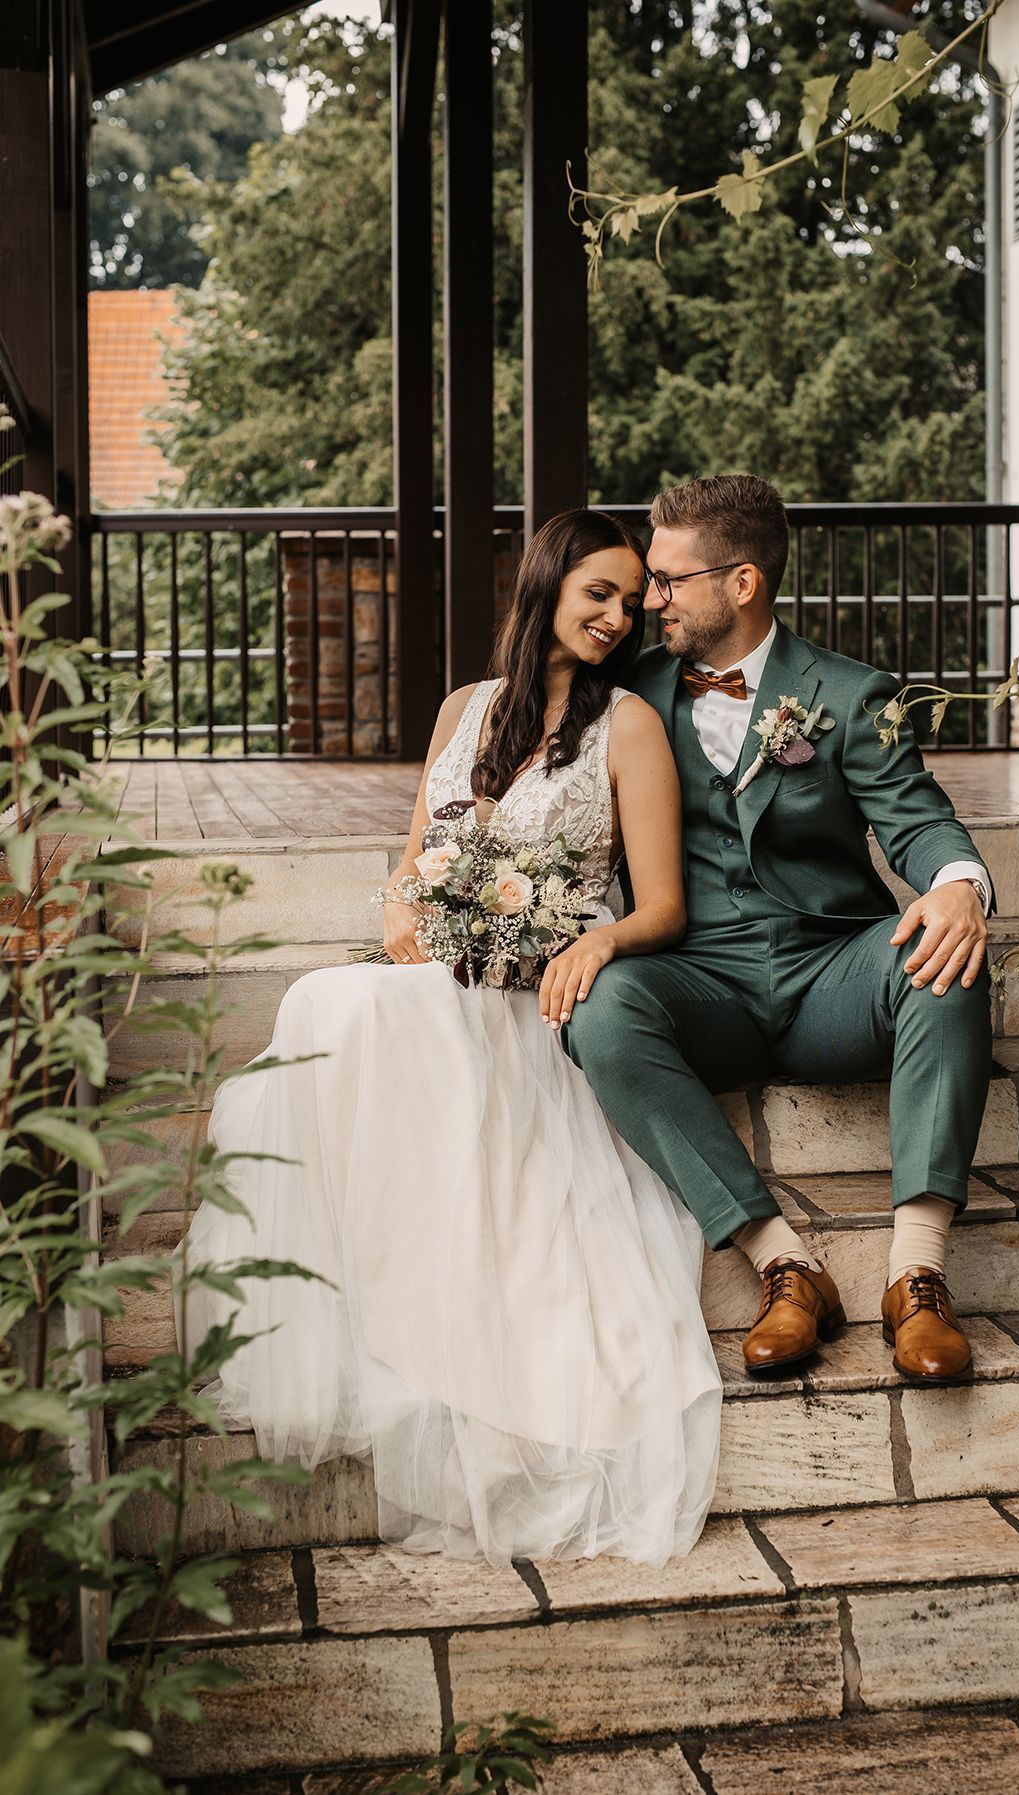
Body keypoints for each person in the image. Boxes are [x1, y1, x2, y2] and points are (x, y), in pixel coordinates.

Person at [175, 509, 722, 1568]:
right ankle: (376, 1294)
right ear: (546, 585)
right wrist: (403, 915)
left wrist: (591, 943)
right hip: (437, 975)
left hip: (530, 997)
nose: (615, 616)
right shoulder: (462, 711)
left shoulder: (630, 728)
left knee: (338, 1011)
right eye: (595, 592)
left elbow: (662, 907)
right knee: (326, 1003)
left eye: (627, 598)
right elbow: (415, 861)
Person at [563, 474, 995, 1385]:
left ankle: (915, 1276)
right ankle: (784, 1266)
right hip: (699, 982)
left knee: (946, 955)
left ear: (743, 582)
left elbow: (914, 822)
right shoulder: (626, 693)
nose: (651, 598)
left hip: (831, 973)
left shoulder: (849, 692)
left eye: (672, 580)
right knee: (599, 1007)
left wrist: (957, 883)